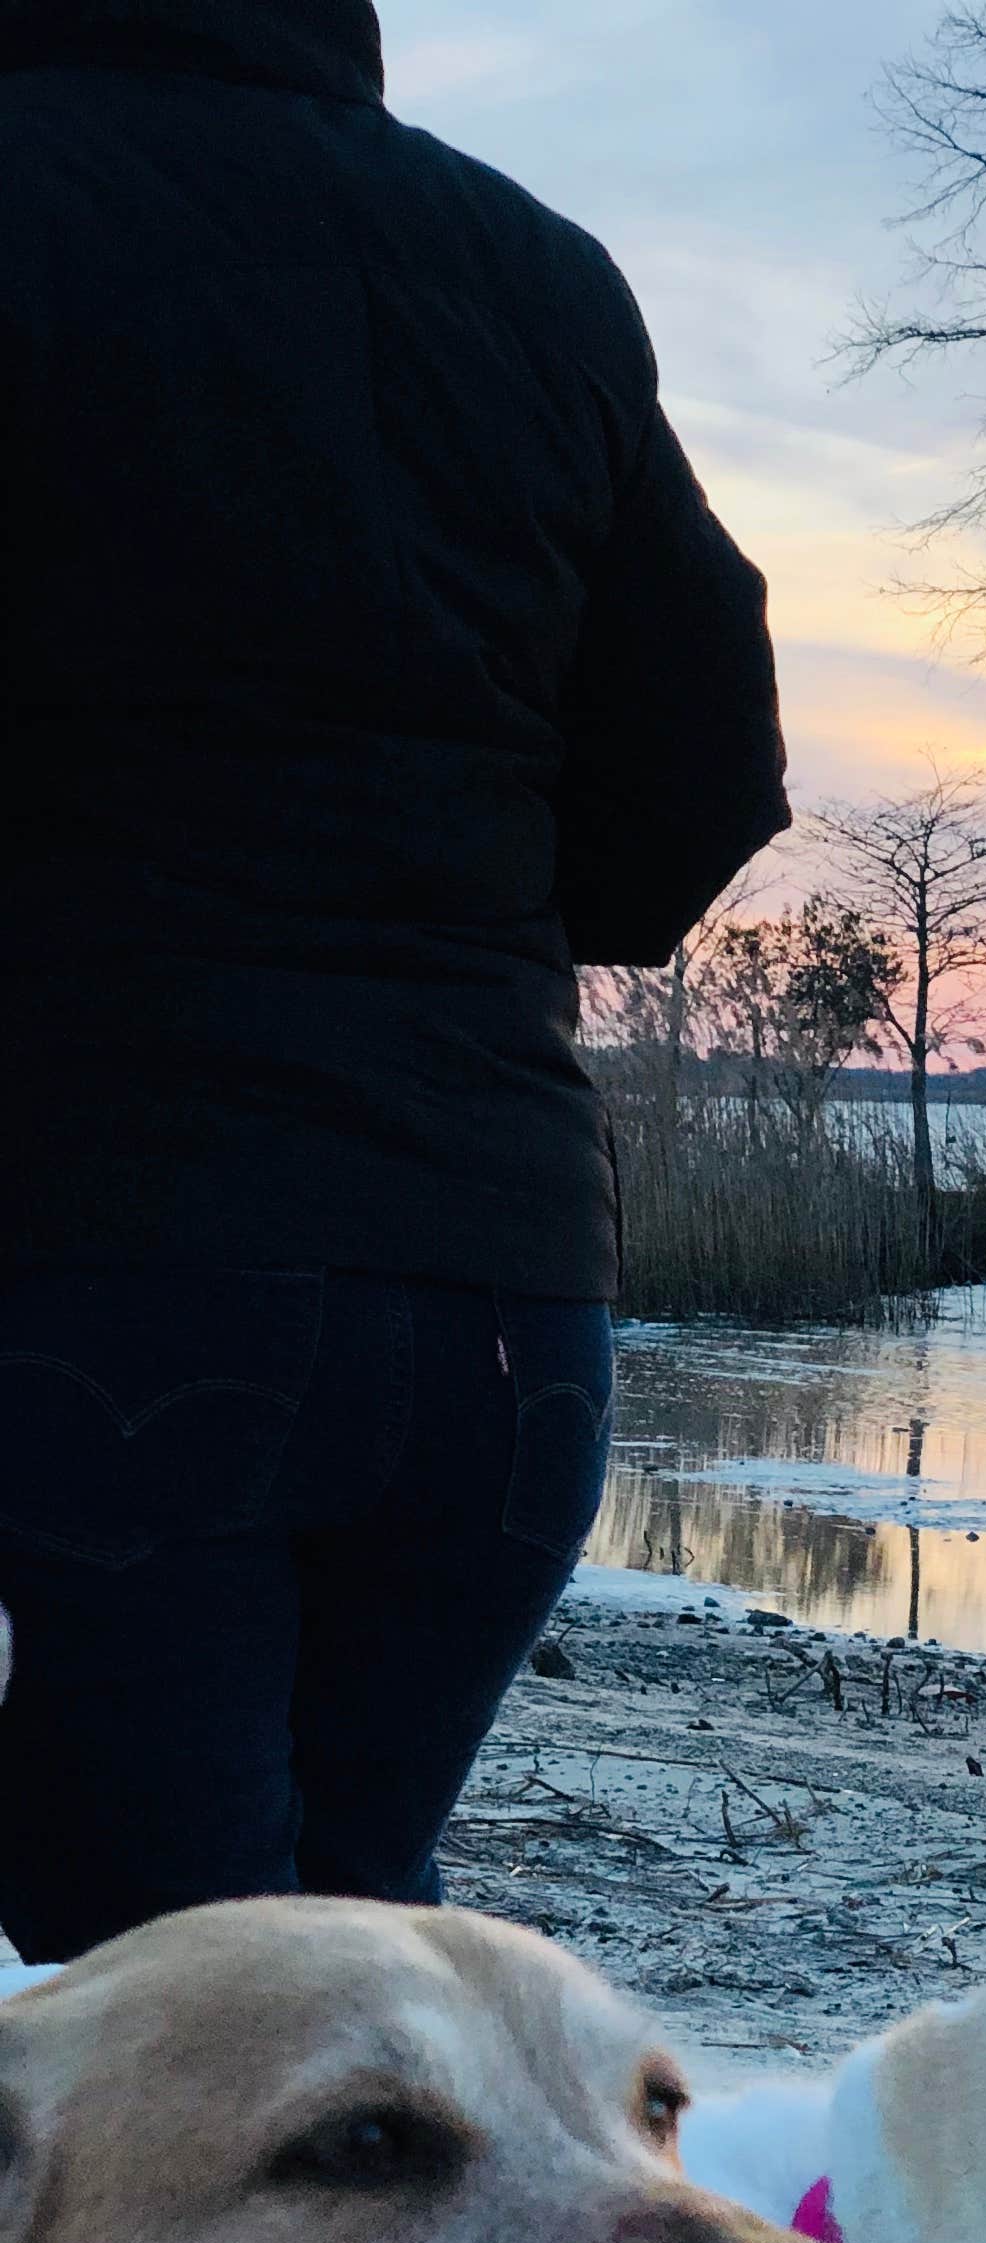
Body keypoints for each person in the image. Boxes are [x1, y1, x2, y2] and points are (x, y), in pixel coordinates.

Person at [0, 0, 787, 1962]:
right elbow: (705, 769)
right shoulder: (533, 273)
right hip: (504, 1306)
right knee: (335, 1980)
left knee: (180, 2011)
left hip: (113, 1256)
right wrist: (473, 928)